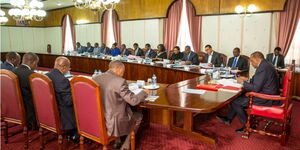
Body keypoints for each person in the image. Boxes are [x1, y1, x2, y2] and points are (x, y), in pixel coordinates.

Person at [216, 51, 281, 133]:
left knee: (236, 102)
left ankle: (247, 125)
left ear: (257, 59)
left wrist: (242, 82)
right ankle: (228, 118)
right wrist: (247, 80)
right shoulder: (265, 64)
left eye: (252, 61)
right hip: (267, 92)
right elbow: (260, 81)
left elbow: (256, 88)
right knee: (237, 97)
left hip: (266, 97)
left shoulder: (263, 68)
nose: (251, 63)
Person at [93, 60, 149, 150]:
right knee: (139, 116)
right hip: (113, 122)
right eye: (123, 71)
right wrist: (144, 92)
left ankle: (117, 141)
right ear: (118, 69)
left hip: (99, 119)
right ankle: (125, 147)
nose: (123, 74)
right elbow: (133, 101)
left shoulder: (96, 78)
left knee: (115, 107)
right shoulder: (120, 81)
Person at [46, 57, 79, 142]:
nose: (69, 70)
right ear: (64, 67)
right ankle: (76, 134)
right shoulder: (62, 80)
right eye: (69, 68)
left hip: (48, 110)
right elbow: (68, 101)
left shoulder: (46, 75)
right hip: (63, 113)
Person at [12, 52, 39, 128]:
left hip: (13, 107)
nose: (36, 66)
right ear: (33, 62)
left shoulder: (13, 71)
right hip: (28, 110)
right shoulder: (31, 75)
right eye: (36, 64)